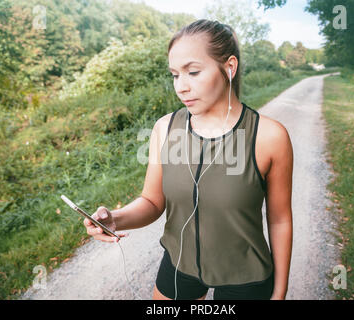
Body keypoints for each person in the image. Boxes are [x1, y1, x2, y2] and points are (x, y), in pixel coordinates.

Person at [83, 19, 293, 300]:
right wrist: (115, 219)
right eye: (174, 75)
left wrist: (279, 293)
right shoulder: (164, 129)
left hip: (246, 276)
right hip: (179, 266)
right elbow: (152, 202)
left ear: (229, 67)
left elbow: (279, 220)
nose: (181, 87)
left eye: (193, 72)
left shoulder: (270, 136)